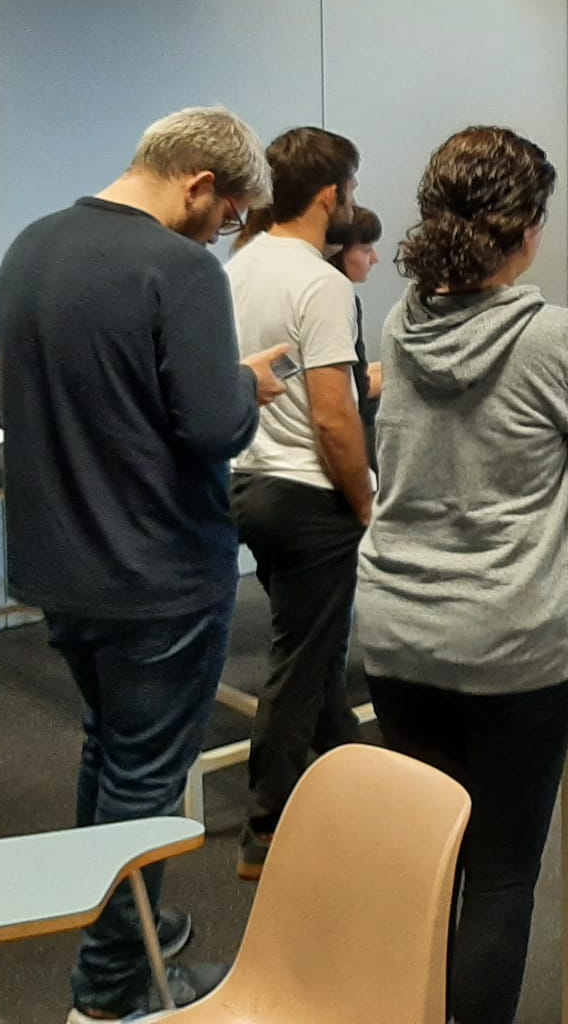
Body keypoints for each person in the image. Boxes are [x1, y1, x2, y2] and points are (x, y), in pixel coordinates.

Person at [0, 106, 291, 1022]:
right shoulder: (180, 269)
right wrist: (245, 382)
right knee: (146, 779)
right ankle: (112, 988)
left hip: (60, 563)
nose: (226, 230)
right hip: (156, 570)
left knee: (110, 751)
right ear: (199, 184)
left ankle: (127, 923)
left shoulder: (31, 246)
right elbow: (214, 426)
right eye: (230, 213)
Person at [355, 126, 568, 1024]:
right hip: (516, 639)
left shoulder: (401, 323)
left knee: (433, 859)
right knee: (501, 877)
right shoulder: (555, 339)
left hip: (398, 632)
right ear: (526, 227)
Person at [224, 128, 372, 882]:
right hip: (307, 495)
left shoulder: (238, 265)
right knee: (303, 656)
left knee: (311, 647)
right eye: (351, 191)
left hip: (244, 483)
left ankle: (353, 771)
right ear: (330, 196)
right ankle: (266, 827)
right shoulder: (323, 283)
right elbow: (334, 418)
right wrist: (365, 501)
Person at [325, 205, 385, 466]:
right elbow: (358, 388)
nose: (375, 258)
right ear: (338, 253)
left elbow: (355, 371)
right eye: (366, 249)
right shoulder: (337, 298)